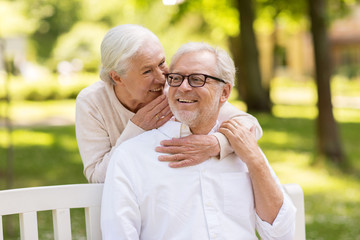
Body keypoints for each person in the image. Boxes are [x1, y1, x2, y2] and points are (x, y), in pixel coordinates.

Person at [101, 42, 296, 239]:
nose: (183, 87)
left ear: (225, 93)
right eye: (176, 78)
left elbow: (281, 233)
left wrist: (255, 160)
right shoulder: (131, 156)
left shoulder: (242, 146)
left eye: (196, 79)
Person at [75, 24, 263, 183]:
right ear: (117, 77)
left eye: (162, 63)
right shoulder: (92, 102)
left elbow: (251, 126)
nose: (161, 77)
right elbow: (97, 176)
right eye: (147, 71)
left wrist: (217, 143)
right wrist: (137, 128)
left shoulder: (175, 89)